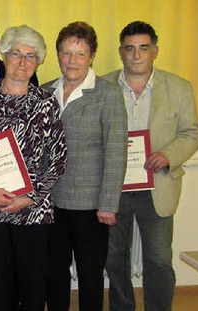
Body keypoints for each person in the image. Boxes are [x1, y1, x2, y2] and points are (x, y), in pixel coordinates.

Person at [0, 25, 67, 311]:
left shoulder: (46, 103)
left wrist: (30, 197)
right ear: (4, 55)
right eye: (16, 53)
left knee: (32, 287)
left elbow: (58, 157)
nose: (22, 62)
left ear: (38, 62)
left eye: (31, 56)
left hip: (32, 210)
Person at [103, 21, 198, 311]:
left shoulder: (179, 87)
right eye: (130, 48)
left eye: (143, 48)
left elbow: (193, 133)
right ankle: (122, 307)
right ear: (120, 52)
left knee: (158, 259)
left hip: (158, 185)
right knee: (114, 257)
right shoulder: (102, 86)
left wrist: (169, 154)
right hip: (114, 188)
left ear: (155, 51)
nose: (136, 55)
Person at [41, 21, 127, 311]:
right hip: (51, 202)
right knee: (54, 272)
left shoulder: (107, 93)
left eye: (80, 54)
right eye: (66, 53)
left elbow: (116, 151)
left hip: (91, 205)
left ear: (91, 56)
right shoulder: (44, 92)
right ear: (58, 55)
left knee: (90, 275)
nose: (72, 60)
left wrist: (109, 204)